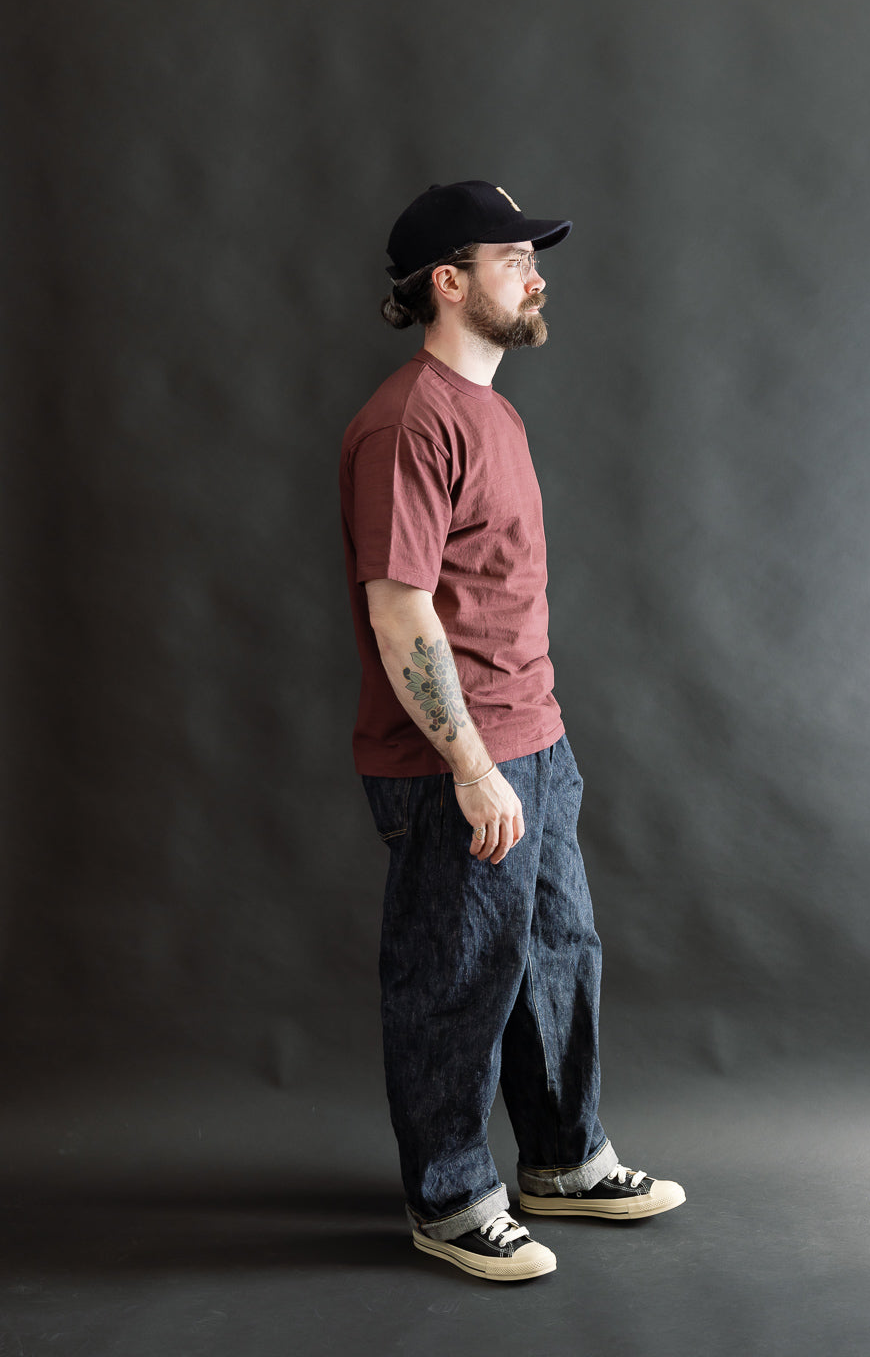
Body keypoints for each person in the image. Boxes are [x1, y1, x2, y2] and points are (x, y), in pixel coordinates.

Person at [339, 180, 685, 1282]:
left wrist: (533, 747)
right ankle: (449, 1197)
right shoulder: (407, 421)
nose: (537, 273)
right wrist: (473, 767)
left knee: (554, 956)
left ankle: (563, 1159)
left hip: (533, 736)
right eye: (512, 256)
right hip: (460, 762)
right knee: (457, 973)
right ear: (448, 281)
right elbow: (401, 609)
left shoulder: (493, 409)